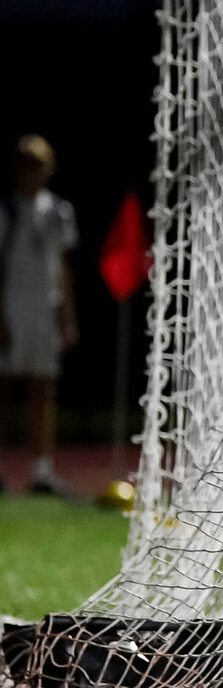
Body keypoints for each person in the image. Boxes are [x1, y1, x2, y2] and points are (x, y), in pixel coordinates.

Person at [0, 134, 80, 495]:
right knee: (4, 388)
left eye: (36, 164)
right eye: (23, 164)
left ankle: (41, 472)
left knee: (43, 390)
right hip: (11, 308)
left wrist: (67, 317)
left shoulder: (59, 211)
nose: (29, 171)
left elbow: (63, 267)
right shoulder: (6, 210)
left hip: (44, 311)